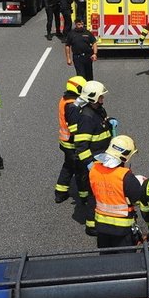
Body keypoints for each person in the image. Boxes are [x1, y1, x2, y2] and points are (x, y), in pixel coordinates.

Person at [89, 135, 144, 249]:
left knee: (106, 257)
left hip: (101, 225)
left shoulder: (94, 170)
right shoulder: (126, 177)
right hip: (122, 229)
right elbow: (137, 199)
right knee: (125, 261)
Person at [73, 80, 112, 235]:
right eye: (100, 96)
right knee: (94, 196)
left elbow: (103, 123)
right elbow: (81, 146)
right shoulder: (86, 117)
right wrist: (90, 164)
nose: (103, 98)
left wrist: (109, 122)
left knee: (101, 194)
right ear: (92, 98)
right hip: (95, 161)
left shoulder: (98, 110)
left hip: (103, 158)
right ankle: (91, 226)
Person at [55, 75, 86, 204]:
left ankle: (60, 192)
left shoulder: (65, 99)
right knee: (80, 169)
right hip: (72, 142)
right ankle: (84, 195)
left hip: (65, 140)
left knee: (68, 166)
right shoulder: (71, 105)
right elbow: (75, 127)